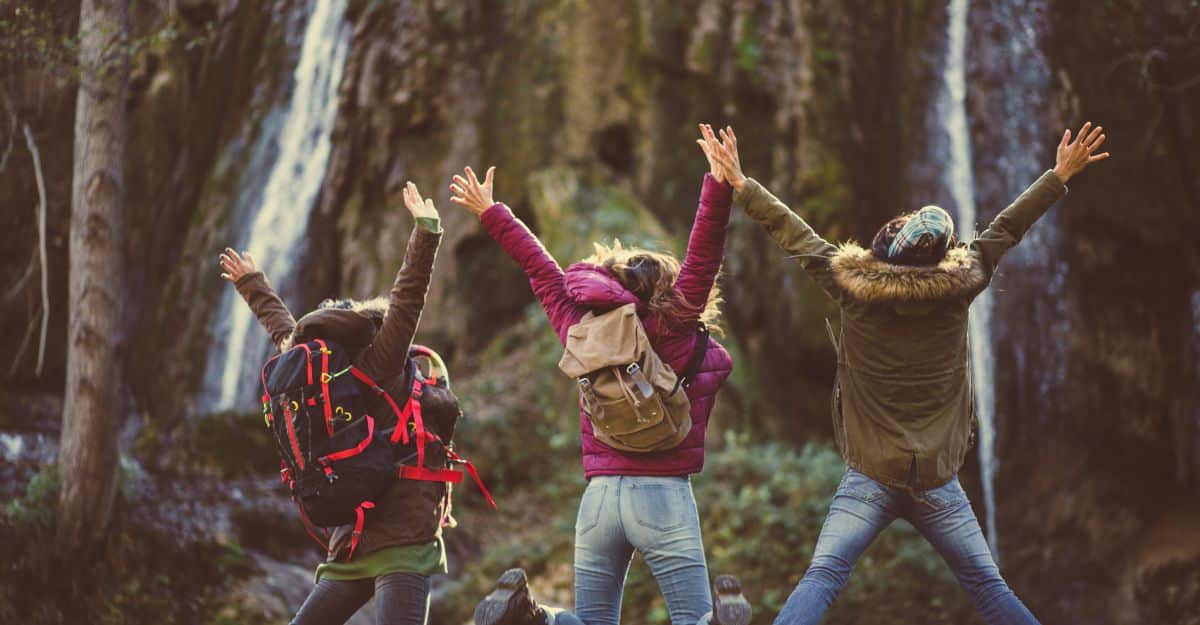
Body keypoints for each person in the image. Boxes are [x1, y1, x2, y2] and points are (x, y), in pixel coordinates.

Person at [701, 122, 1110, 625]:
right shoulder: (960, 286)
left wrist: (742, 185)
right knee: (987, 587)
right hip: (937, 478)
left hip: (870, 475)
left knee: (823, 576)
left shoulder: (851, 288)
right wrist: (1058, 174)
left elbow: (795, 235)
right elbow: (1006, 229)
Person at [451, 125, 751, 625]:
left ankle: (532, 619)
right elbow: (704, 256)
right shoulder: (674, 323)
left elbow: (542, 271)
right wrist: (718, 184)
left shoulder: (579, 326)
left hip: (599, 499)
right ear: (666, 288)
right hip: (664, 495)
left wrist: (492, 212)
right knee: (693, 617)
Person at [219, 181, 447, 625]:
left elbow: (286, 335)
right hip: (401, 536)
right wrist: (426, 230)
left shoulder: (324, 372)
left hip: (353, 535)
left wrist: (253, 285)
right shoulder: (383, 357)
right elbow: (408, 297)